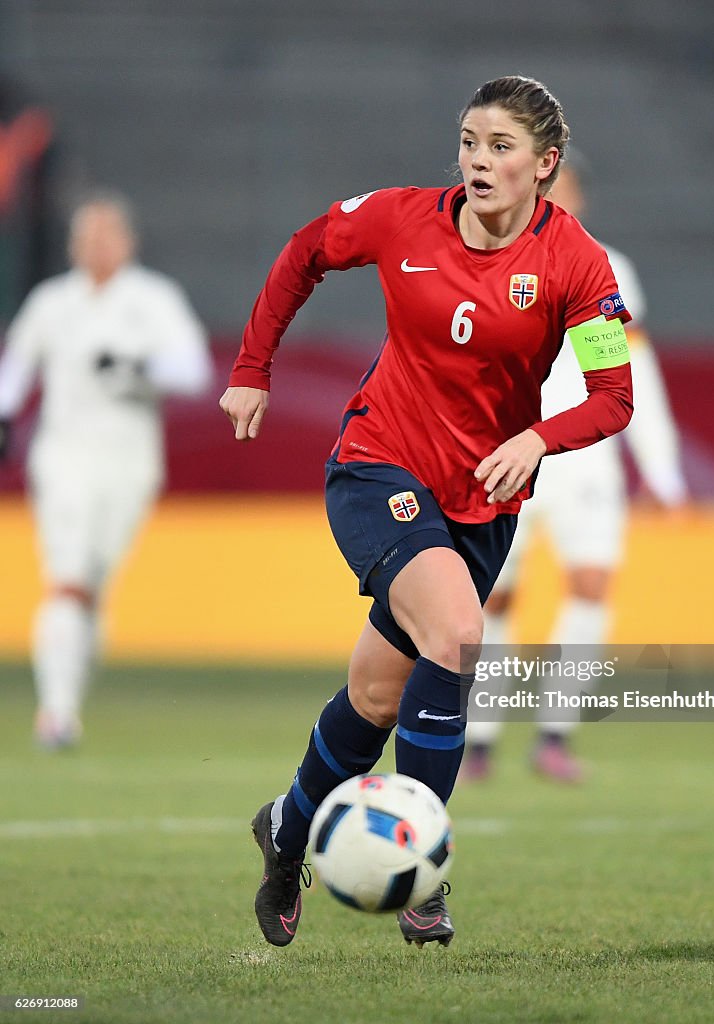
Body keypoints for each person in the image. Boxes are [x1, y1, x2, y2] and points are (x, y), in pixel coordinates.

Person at [219, 75, 634, 950]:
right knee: (457, 633)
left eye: (501, 148)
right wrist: (252, 367)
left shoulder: (577, 265)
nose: (479, 161)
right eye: (470, 141)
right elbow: (304, 252)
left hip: (483, 502)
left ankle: (287, 830)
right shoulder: (403, 217)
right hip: (379, 466)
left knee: (376, 695)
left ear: (545, 166)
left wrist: (541, 439)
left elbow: (612, 397)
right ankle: (426, 870)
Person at [464, 157, 689, 783]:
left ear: (580, 196)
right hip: (503, 453)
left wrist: (662, 470)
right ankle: (478, 740)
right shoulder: (485, 257)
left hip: (584, 457)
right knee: (494, 597)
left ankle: (553, 734)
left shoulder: (605, 268)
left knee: (590, 585)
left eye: (565, 189)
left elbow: (627, 370)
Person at [0, 193, 212, 748]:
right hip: (63, 456)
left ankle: (67, 692)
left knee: (91, 583)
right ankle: (56, 713)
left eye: (105, 236)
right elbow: (18, 360)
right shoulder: (53, 301)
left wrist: (136, 366)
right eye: (86, 237)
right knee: (66, 578)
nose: (95, 247)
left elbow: (193, 370)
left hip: (129, 461)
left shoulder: (152, 299)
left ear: (126, 241)